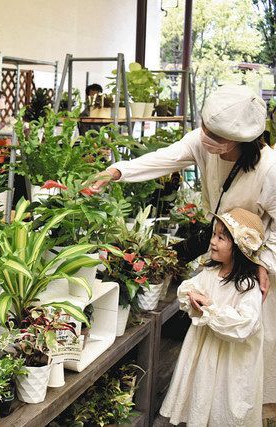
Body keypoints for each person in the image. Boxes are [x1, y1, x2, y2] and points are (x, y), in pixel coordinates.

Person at [88, 84, 276, 403]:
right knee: (208, 336)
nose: (203, 135)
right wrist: (116, 171)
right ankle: (204, 402)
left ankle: (244, 407)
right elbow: (166, 159)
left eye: (213, 134)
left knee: (246, 341)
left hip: (250, 264)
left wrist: (264, 263)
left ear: (238, 140)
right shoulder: (204, 142)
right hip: (219, 252)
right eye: (204, 127)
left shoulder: (269, 170)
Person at [160, 207, 264, 426]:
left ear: (239, 248)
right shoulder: (210, 273)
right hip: (203, 350)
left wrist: (212, 308)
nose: (213, 242)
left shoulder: (247, 286)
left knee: (222, 402)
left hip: (230, 358)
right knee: (201, 393)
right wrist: (194, 298)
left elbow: (246, 324)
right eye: (214, 235)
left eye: (221, 237)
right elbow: (188, 289)